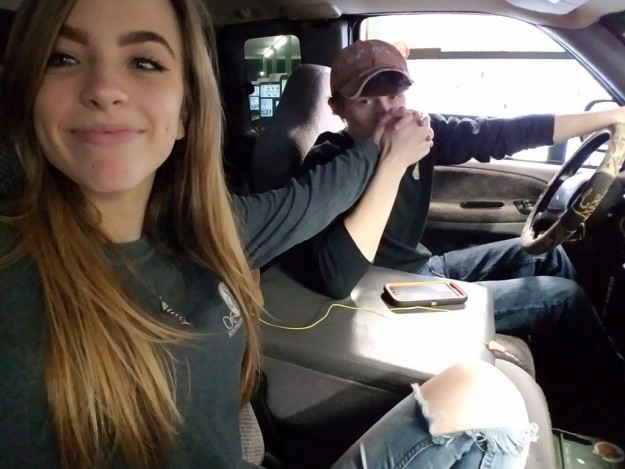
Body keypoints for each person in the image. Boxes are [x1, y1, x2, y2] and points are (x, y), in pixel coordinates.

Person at [0, 0, 538, 468]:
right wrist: (385, 152)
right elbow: (334, 264)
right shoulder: (16, 291)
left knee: (484, 390)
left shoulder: (210, 225)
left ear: (186, 111)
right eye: (62, 58)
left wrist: (385, 150)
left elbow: (308, 201)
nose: (104, 89)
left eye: (144, 62)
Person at [285, 39, 625, 443]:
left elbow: (501, 134)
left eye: (394, 96)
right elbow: (335, 275)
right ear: (337, 108)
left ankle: (570, 387)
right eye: (365, 101)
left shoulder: (418, 132)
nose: (386, 114)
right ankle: (611, 412)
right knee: (562, 298)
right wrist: (392, 160)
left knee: (548, 256)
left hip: (422, 268)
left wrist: (609, 117)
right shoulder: (328, 162)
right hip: (388, 293)